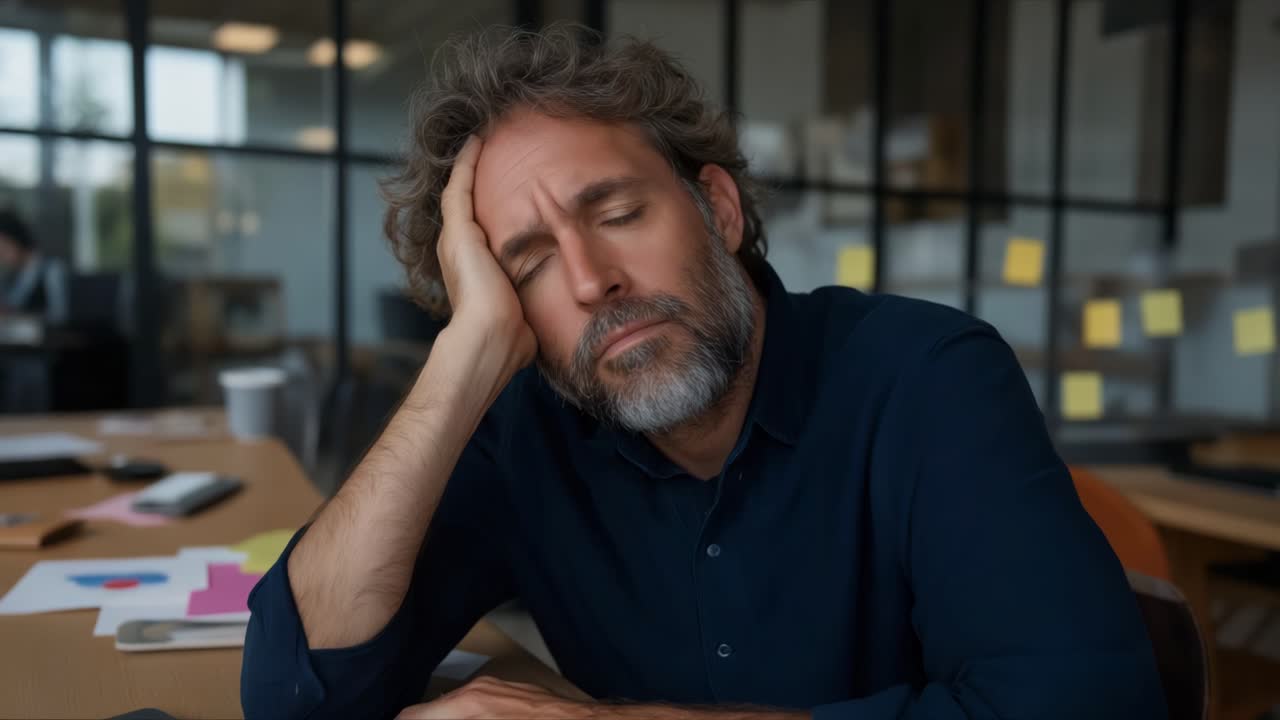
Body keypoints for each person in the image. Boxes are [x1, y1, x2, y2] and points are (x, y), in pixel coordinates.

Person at [241, 24, 1165, 720]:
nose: (592, 279)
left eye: (618, 211)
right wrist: (459, 362)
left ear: (716, 207)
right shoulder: (525, 430)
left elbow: (1090, 703)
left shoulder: (926, 380)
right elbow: (293, 688)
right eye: (526, 264)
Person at [0, 208, 67, 323]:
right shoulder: (9, 277)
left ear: (17, 239)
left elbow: (59, 317)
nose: (1, 254)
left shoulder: (51, 270)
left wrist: (17, 317)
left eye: (4, 246)